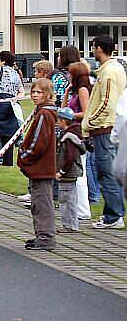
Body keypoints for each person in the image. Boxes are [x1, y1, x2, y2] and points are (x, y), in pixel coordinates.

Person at [83, 35, 127, 229]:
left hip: (104, 127)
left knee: (106, 172)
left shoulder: (109, 72)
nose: (93, 51)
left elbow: (107, 102)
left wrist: (90, 121)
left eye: (94, 47)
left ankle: (114, 215)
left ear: (99, 48)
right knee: (109, 171)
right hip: (109, 126)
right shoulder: (113, 69)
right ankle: (114, 213)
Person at [17, 78, 57, 250]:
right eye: (33, 92)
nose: (34, 95)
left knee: (42, 203)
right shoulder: (42, 112)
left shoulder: (44, 114)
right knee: (38, 202)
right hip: (41, 167)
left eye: (38, 92)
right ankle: (41, 234)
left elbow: (38, 142)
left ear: (47, 94)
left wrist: (24, 155)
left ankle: (46, 237)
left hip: (41, 167)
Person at [62, 61, 94, 220]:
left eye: (70, 73)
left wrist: (71, 116)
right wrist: (67, 93)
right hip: (71, 129)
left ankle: (83, 209)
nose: (67, 75)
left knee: (79, 171)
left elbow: (86, 112)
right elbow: (64, 107)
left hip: (78, 132)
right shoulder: (74, 91)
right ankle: (77, 207)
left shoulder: (83, 90)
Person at [56, 107, 86, 233]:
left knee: (66, 200)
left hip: (68, 173)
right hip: (71, 172)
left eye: (58, 120)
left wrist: (61, 171)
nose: (57, 123)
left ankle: (69, 225)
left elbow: (70, 157)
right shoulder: (74, 135)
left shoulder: (69, 137)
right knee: (71, 199)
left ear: (64, 121)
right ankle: (72, 224)